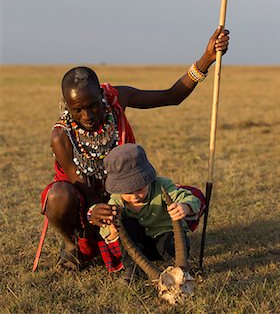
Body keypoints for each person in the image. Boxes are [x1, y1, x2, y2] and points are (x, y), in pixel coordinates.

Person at [40, 27, 229, 270]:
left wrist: (207, 58)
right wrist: (97, 210)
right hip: (88, 202)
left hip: (126, 194)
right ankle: (74, 246)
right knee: (58, 196)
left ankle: (140, 238)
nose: (87, 116)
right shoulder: (61, 136)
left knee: (182, 198)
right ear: (66, 105)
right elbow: (82, 186)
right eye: (77, 110)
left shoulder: (118, 99)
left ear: (101, 94)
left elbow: (172, 96)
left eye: (93, 106)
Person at [99, 143, 202, 281]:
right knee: (127, 226)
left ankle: (178, 269)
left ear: (148, 180)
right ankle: (133, 271)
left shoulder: (163, 186)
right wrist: (112, 228)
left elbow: (192, 200)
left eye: (139, 189)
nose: (134, 196)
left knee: (172, 243)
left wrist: (184, 207)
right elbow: (107, 234)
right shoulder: (116, 201)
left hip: (165, 239)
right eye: (128, 192)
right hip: (138, 248)